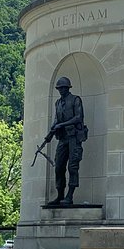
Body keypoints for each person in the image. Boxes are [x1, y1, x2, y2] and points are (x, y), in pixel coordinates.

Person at [47, 77, 86, 205]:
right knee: (58, 167)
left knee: (72, 167)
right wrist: (50, 134)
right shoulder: (58, 103)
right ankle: (60, 195)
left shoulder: (75, 100)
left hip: (74, 137)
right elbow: (56, 121)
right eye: (59, 88)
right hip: (62, 139)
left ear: (68, 88)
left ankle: (70, 195)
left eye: (63, 88)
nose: (61, 90)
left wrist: (62, 125)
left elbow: (78, 117)